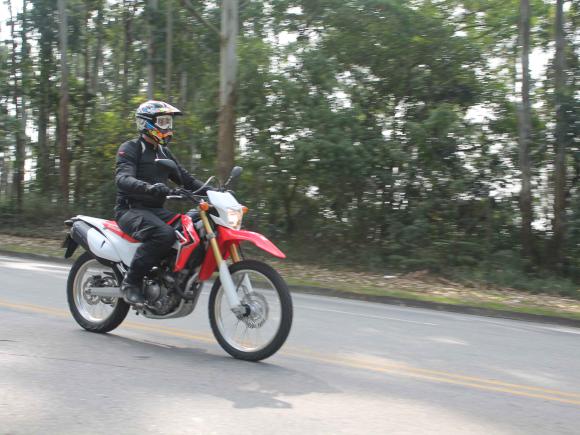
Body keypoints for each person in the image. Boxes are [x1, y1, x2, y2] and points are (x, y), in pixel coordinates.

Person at [115, 100, 206, 305]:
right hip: (130, 210)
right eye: (163, 122)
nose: (168, 127)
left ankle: (169, 276)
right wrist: (149, 187)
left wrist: (218, 193)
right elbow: (123, 178)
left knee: (192, 228)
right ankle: (130, 283)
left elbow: (188, 181)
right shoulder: (131, 148)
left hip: (155, 211)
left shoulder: (164, 153)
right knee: (163, 234)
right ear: (147, 123)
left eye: (169, 122)